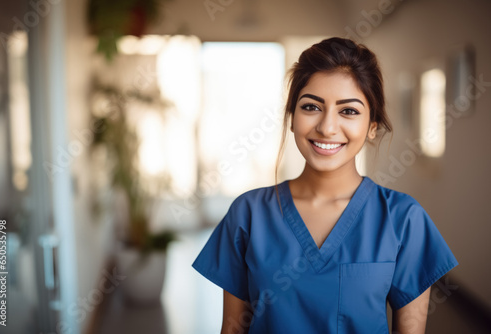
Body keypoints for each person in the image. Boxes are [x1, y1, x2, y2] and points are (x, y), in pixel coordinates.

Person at [192, 37, 458, 334]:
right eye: (311, 107)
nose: (327, 127)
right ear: (292, 118)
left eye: (349, 111)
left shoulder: (404, 219)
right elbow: (232, 329)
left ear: (372, 127)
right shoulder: (248, 214)